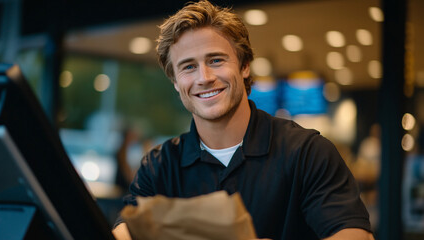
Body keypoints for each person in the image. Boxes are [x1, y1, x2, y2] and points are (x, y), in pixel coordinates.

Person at [112, 1, 374, 239]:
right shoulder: (160, 166)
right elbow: (125, 232)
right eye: (188, 67)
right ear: (175, 82)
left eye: (215, 60)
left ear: (244, 65)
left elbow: (356, 236)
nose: (204, 77)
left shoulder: (306, 152)